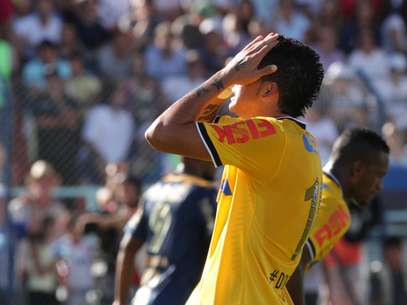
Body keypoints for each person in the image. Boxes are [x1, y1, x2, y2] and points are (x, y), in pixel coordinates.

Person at [145, 33, 324, 305]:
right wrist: (227, 82)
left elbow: (160, 133)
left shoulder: (270, 138)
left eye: (246, 70)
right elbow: (191, 127)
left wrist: (226, 78)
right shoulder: (288, 141)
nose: (239, 71)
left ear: (267, 90)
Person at [286, 128, 390, 305]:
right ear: (357, 170)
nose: (379, 186)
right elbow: (293, 261)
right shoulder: (337, 209)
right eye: (378, 176)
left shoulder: (308, 179)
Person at [113, 158, 217, 305]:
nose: (215, 163)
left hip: (144, 297)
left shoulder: (153, 191)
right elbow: (217, 247)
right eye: (209, 154)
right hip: (182, 297)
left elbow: (127, 246)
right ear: (194, 156)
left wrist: (119, 301)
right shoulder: (203, 194)